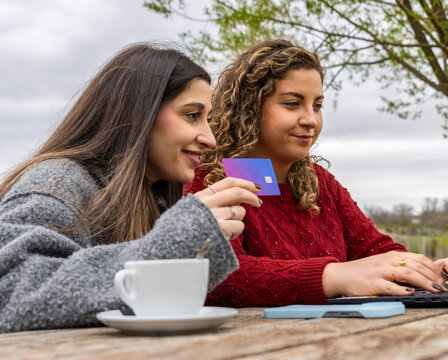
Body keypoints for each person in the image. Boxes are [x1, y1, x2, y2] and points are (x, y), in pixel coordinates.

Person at [0, 43, 262, 333]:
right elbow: (11, 292)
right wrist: (182, 236)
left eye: (209, 120)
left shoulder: (153, 195)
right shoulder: (56, 183)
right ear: (140, 112)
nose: (210, 139)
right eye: (192, 115)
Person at [185, 39, 448, 307]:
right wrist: (333, 276)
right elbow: (220, 275)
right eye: (293, 103)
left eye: (317, 105)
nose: (310, 120)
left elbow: (374, 249)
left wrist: (420, 268)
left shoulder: (320, 183)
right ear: (250, 108)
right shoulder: (209, 180)